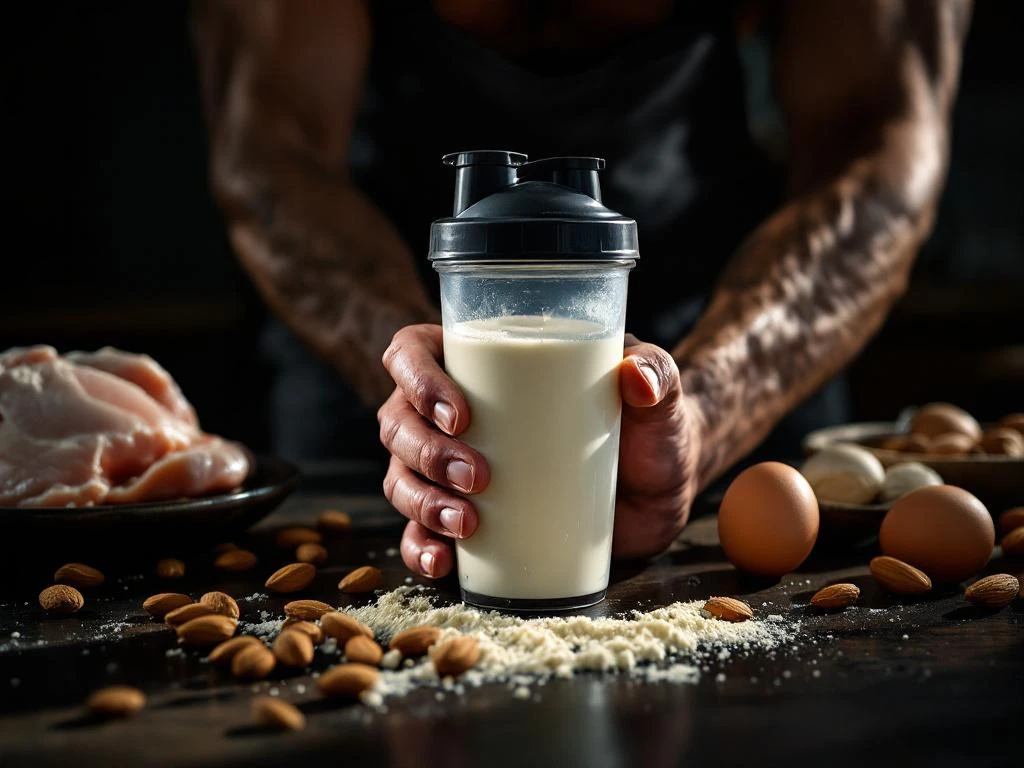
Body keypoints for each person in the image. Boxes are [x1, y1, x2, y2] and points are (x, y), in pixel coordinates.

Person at [194, 0, 970, 578]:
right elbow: (271, 151)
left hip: (734, 313)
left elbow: (878, 151)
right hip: (380, 296)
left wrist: (705, 406)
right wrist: (420, 377)